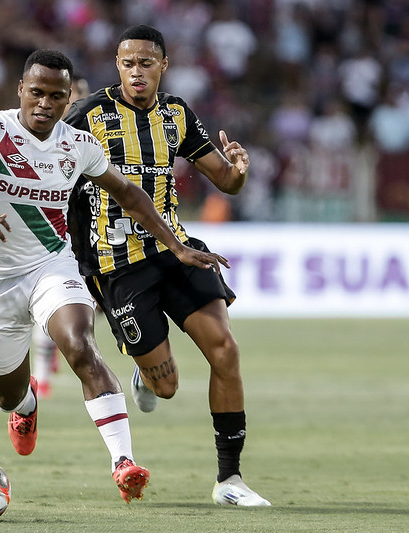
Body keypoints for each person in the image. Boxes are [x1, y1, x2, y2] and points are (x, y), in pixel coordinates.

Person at [0, 49, 227, 503]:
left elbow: (131, 196)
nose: (44, 103)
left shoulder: (78, 145)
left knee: (80, 343)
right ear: (21, 90)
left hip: (51, 265)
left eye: (56, 96)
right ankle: (24, 407)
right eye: (36, 92)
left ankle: (123, 462)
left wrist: (177, 246)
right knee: (6, 392)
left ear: (68, 100)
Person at [63, 25, 271, 507]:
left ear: (163, 66)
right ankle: (146, 371)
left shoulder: (177, 114)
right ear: (118, 66)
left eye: (146, 63)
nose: (137, 72)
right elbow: (57, 183)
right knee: (168, 387)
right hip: (119, 265)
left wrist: (238, 172)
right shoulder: (87, 115)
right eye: (128, 63)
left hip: (178, 249)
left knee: (226, 350)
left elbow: (225, 180)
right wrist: (80, 262)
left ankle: (229, 481)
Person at [31, 74, 91, 399]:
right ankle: (41, 375)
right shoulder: (40, 137)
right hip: (55, 236)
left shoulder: (90, 140)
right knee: (49, 298)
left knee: (92, 307)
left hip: (91, 234)